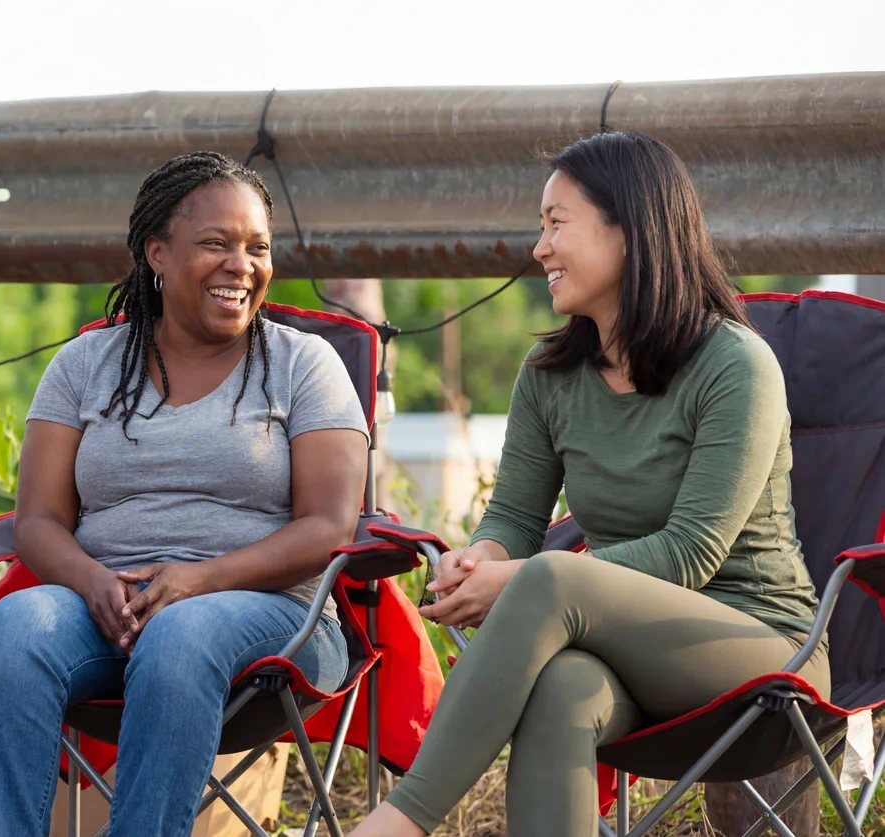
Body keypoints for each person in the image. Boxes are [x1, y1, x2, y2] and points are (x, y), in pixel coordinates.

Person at [350, 131, 826, 836]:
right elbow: (512, 515)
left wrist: (520, 580)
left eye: (556, 223)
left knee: (550, 578)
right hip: (623, 647)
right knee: (563, 690)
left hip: (764, 646)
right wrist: (482, 557)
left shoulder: (736, 365)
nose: (539, 248)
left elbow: (691, 552)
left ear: (630, 231)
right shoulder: (551, 374)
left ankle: (400, 820)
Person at [0, 151, 369, 835]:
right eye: (216, 242)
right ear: (157, 251)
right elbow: (37, 522)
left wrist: (198, 581)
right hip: (107, 609)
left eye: (257, 247)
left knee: (181, 630)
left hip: (279, 618)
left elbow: (330, 526)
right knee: (16, 627)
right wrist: (92, 582)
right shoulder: (85, 365)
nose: (242, 264)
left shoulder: (304, 365)